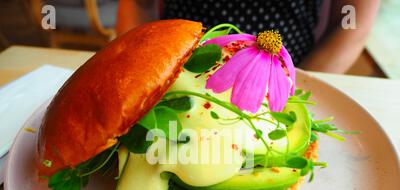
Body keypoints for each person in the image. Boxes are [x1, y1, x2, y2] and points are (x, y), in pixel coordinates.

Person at [116, 0, 380, 73]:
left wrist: (294, 87)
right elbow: (140, 5)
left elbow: (351, 22)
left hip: (291, 74)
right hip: (177, 73)